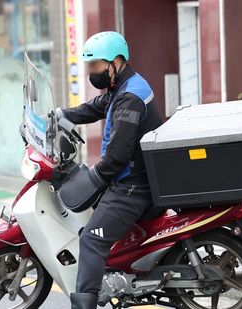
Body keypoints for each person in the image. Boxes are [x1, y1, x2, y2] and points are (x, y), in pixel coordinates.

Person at [58, 31, 164, 309]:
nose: (92, 72)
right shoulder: (125, 87)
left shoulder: (130, 98)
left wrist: (94, 179)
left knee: (92, 240)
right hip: (132, 179)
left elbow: (117, 156)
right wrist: (62, 115)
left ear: (116, 62)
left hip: (132, 186)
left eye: (96, 66)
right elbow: (98, 106)